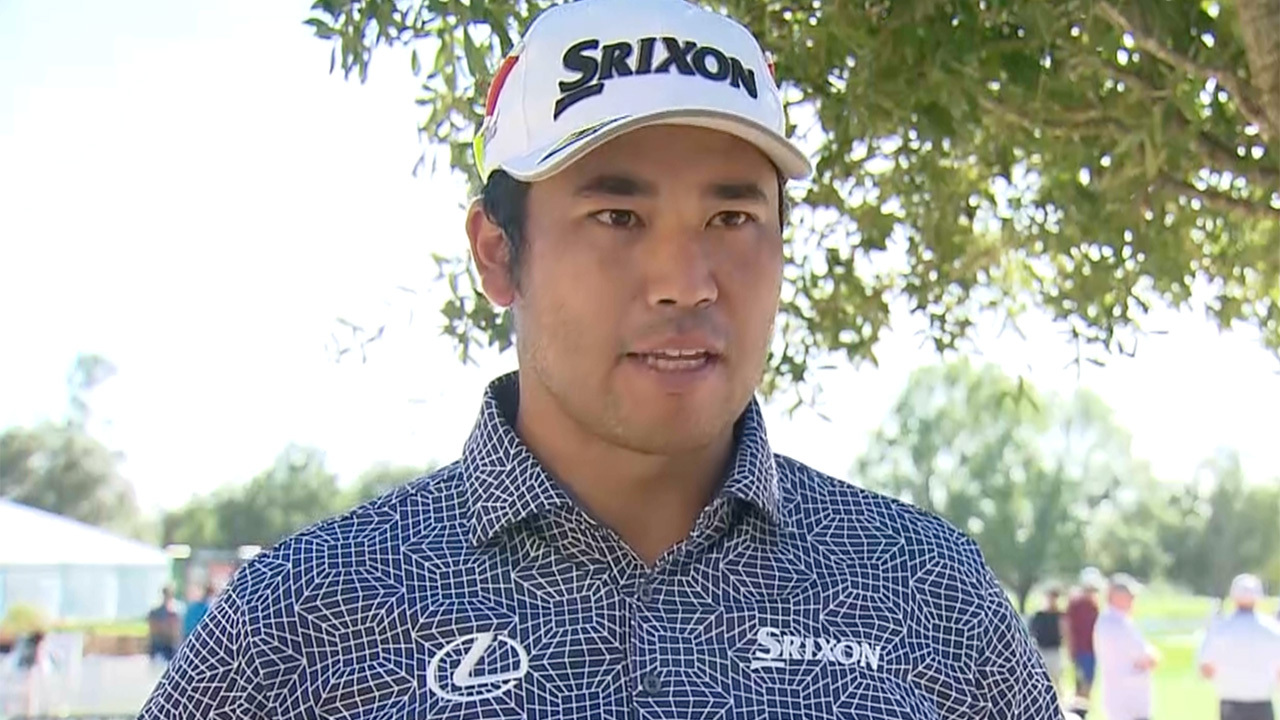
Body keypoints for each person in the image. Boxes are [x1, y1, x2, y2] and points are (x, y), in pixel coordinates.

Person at [139, 0, 1058, 715]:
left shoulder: (931, 596)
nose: (685, 282)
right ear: (497, 253)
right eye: (618, 216)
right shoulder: (299, 623)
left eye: (732, 217)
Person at [1198, 573, 1280, 720]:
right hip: (1262, 702)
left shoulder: (1220, 628)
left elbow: (1206, 668)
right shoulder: (1272, 629)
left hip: (1230, 702)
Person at [1094, 574, 1158, 720]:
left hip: (1123, 700)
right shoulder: (1117, 624)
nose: (1133, 600)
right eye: (1130, 595)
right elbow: (1148, 658)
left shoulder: (1111, 620)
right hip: (1128, 701)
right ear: (1116, 596)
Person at [1065, 580, 1101, 706]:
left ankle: (1084, 707)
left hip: (1092, 650)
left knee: (1089, 681)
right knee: (1081, 682)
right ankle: (1079, 708)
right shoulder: (1075, 605)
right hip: (1080, 650)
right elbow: (1068, 627)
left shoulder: (1094, 607)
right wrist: (1070, 647)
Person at [1029, 587, 1069, 697]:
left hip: (1055, 651)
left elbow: (1064, 633)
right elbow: (1032, 634)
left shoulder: (1060, 616)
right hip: (1042, 651)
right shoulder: (1038, 616)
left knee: (1057, 680)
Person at [146, 586, 182, 664]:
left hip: (169, 648)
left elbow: (175, 632)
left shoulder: (174, 613)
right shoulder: (156, 612)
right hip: (160, 646)